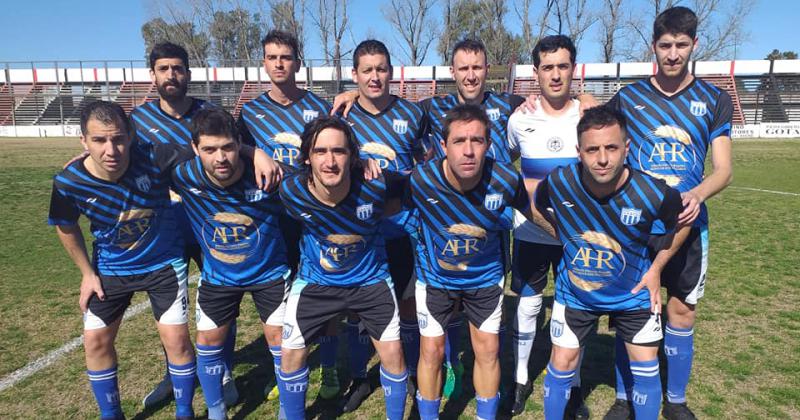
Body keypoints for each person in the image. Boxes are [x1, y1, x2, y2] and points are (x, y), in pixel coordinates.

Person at [604, 7, 733, 420]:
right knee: (632, 309)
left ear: (694, 45)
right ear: (653, 47)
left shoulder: (714, 100)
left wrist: (695, 194)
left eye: (681, 45)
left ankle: (675, 401)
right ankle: (624, 398)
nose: (673, 54)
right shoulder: (629, 98)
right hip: (638, 226)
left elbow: (725, 169)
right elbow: (599, 127)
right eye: (665, 46)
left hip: (690, 224)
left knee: (681, 309)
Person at [135, 42, 281, 407]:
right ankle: (175, 373)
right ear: (152, 74)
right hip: (164, 231)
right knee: (170, 310)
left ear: (189, 72)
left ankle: (224, 369)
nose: (172, 75)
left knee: (219, 301)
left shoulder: (211, 113)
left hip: (211, 228)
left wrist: (256, 151)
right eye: (164, 68)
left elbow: (236, 148)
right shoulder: (138, 120)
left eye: (178, 68)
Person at [536, 106, 690, 420]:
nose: (603, 158)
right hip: (576, 292)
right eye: (592, 149)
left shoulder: (654, 192)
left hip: (632, 290)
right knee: (562, 360)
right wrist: (565, 237)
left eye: (611, 147)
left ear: (627, 148)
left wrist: (656, 269)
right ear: (579, 151)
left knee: (646, 366)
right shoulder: (558, 182)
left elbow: (685, 221)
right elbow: (538, 207)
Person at [48, 101, 196, 419]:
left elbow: (208, 147)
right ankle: (111, 414)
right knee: (95, 342)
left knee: (177, 340)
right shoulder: (69, 182)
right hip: (111, 270)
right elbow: (65, 224)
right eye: (99, 140)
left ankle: (185, 411)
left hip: (163, 265)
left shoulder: (156, 158)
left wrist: (255, 154)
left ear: (130, 136)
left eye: (117, 138)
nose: (111, 149)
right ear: (83, 141)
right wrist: (87, 273)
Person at [277, 116, 408, 419]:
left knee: (392, 354)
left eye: (339, 151)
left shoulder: (377, 185)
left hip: (370, 280)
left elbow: (423, 179)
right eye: (320, 151)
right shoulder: (290, 190)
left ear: (352, 157)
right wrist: (250, 152)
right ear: (307, 158)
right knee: (291, 353)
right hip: (316, 281)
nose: (330, 161)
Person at [410, 104, 533, 420]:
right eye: (459, 141)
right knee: (431, 352)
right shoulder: (420, 180)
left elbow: (539, 210)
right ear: (443, 146)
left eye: (477, 141)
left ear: (488, 145)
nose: (468, 151)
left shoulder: (505, 178)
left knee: (488, 351)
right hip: (435, 278)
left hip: (485, 278)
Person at [237, 30, 338, 402]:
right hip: (269, 221)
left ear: (298, 62)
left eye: (286, 57)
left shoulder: (317, 106)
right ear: (264, 63)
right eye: (272, 57)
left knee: (323, 293)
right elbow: (229, 149)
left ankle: (328, 367)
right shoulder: (249, 112)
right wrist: (253, 150)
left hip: (313, 219)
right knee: (278, 304)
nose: (279, 64)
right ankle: (285, 372)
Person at [336, 39, 428, 412]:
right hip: (359, 233)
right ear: (355, 74)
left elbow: (426, 164)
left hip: (402, 230)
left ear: (392, 72)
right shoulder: (341, 117)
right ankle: (359, 377)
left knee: (407, 307)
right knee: (356, 310)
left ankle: (404, 375)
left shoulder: (414, 114)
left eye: (381, 68)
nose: (375, 77)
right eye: (367, 70)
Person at [505, 34, 588, 418]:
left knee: (574, 305)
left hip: (577, 232)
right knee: (527, 304)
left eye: (563, 66)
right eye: (547, 67)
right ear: (535, 72)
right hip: (531, 230)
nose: (555, 75)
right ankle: (520, 379)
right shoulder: (520, 118)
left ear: (574, 68)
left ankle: (571, 385)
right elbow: (508, 159)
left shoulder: (588, 116)